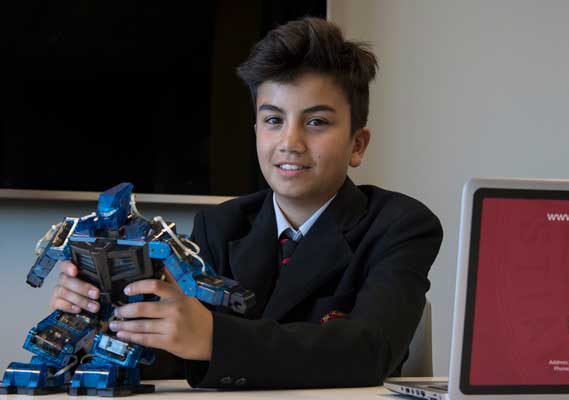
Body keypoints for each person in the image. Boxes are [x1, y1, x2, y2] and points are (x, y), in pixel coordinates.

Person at [50, 17, 443, 389]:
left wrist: (214, 337)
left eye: (316, 122)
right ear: (256, 130)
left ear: (357, 145)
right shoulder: (219, 226)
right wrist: (99, 319)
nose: (290, 142)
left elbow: (369, 351)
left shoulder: (400, 225)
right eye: (273, 120)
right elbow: (171, 357)